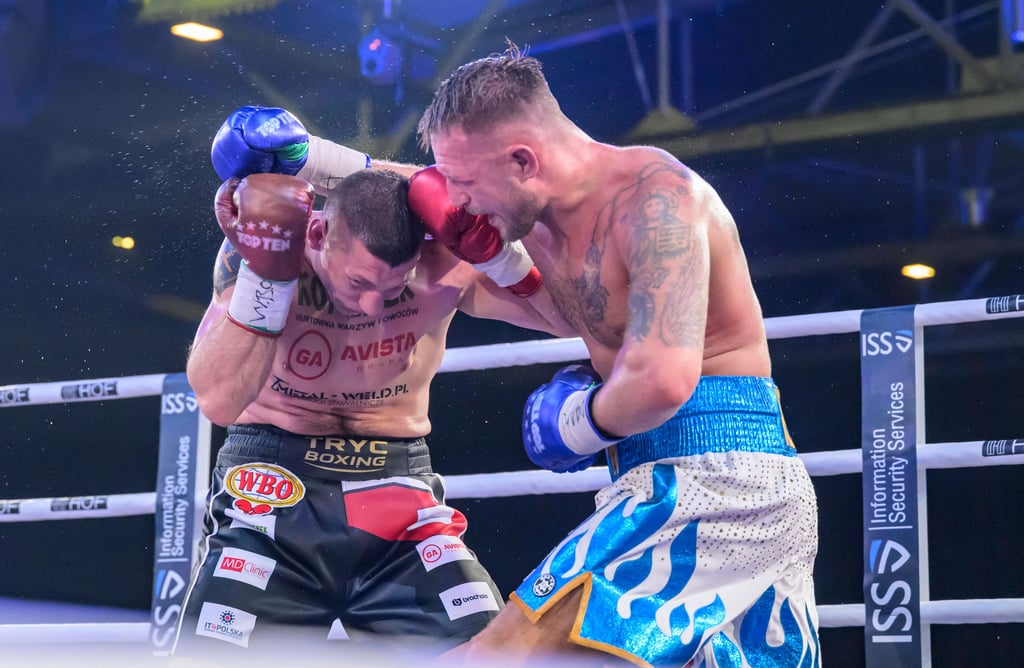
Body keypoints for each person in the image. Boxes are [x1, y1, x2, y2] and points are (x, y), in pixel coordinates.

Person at [415, 45, 821, 667]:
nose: (458, 201)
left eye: (465, 182)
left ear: (523, 160)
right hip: (656, 475)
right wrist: (310, 167)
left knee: (499, 657)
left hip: (724, 482)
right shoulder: (539, 226)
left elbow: (663, 379)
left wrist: (576, 423)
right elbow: (413, 199)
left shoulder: (657, 201)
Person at [173, 106, 574, 658]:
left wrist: (504, 258)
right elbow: (217, 399)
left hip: (400, 491)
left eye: (392, 286)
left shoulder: (442, 262)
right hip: (269, 481)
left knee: (493, 653)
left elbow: (570, 317)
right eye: (360, 280)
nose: (371, 303)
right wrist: (267, 279)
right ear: (316, 230)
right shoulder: (271, 243)